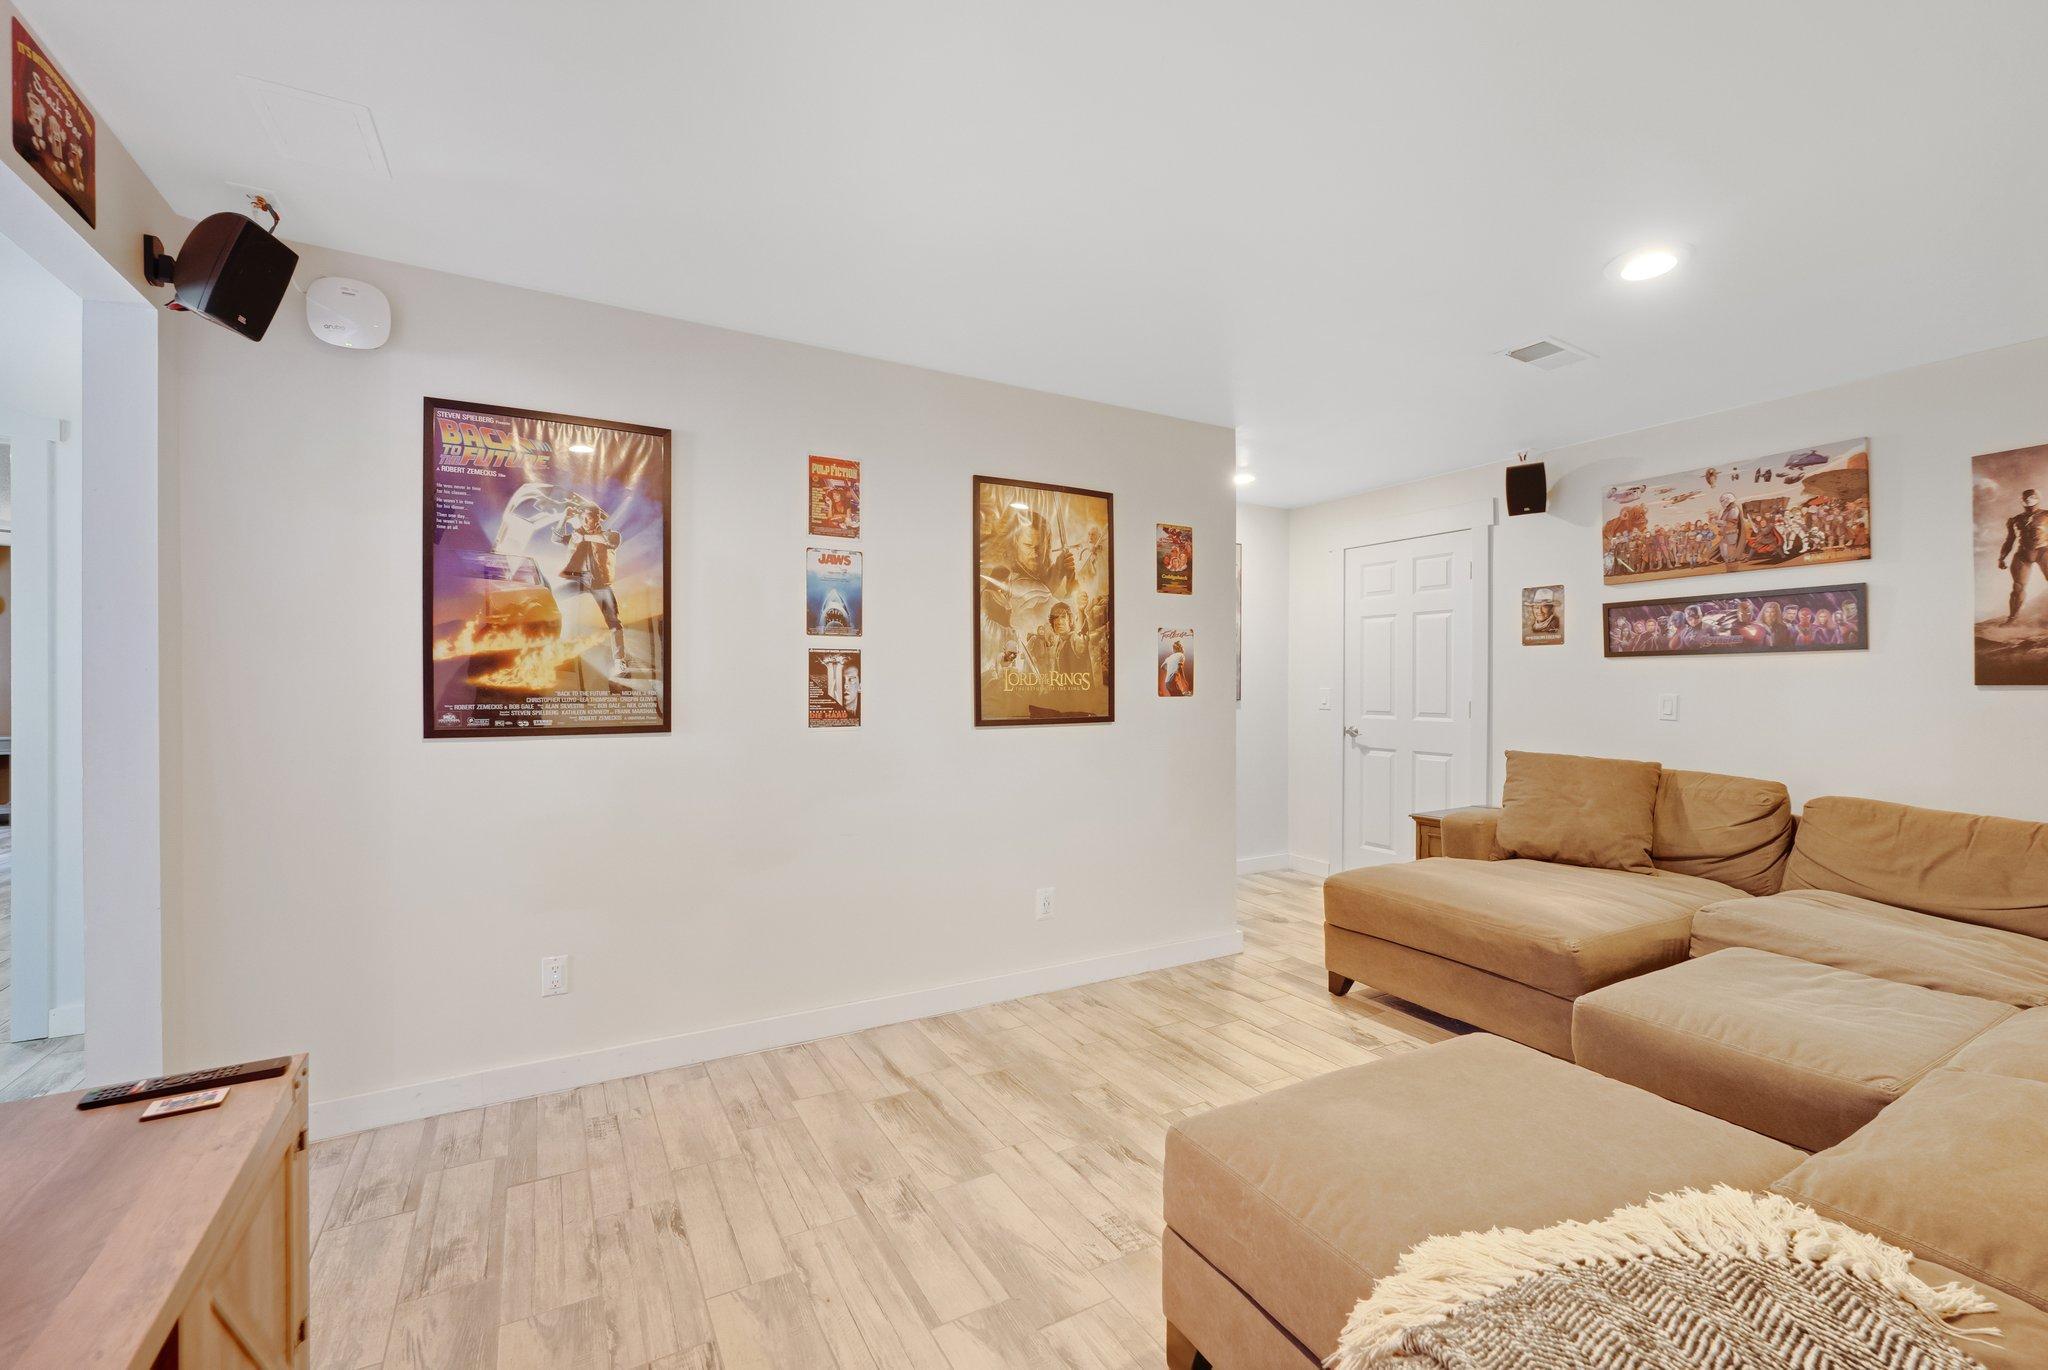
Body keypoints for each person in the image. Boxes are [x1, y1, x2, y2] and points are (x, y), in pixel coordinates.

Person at [554, 498, 639, 673]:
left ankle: (620, 660)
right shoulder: (576, 535)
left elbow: (609, 541)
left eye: (589, 518)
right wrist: (564, 518)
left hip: (600, 585)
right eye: (583, 518)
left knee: (613, 621)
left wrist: (584, 537)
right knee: (552, 597)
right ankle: (555, 649)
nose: (585, 521)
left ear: (597, 518)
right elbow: (556, 538)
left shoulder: (611, 535)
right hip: (579, 581)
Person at [1998, 488, 2048, 625]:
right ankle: (2012, 619)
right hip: (2023, 553)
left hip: (2043, 551)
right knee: (2018, 588)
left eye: (2031, 497)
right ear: (2022, 500)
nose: (2028, 500)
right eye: (2026, 498)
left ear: (2038, 498)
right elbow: (2009, 540)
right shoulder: (2015, 520)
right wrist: (2001, 558)